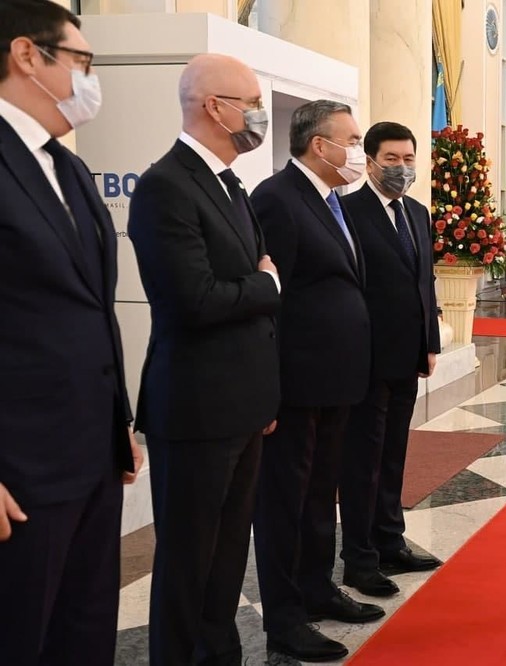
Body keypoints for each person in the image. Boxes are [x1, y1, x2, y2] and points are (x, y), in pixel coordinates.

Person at [128, 53, 282, 665]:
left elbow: (241, 288)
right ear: (215, 107)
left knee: (227, 557)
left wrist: (264, 397)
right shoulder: (166, 185)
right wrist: (266, 287)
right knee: (189, 562)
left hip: (242, 405)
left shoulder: (231, 184)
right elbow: (192, 300)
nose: (260, 114)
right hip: (195, 408)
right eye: (252, 102)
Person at [0, 2, 142, 662]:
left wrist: (117, 424)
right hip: (19, 471)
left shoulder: (70, 169)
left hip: (89, 459)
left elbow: (90, 309)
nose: (91, 78)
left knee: (82, 636)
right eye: (83, 60)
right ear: (27, 55)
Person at [249, 100, 385, 663]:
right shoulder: (278, 198)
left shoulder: (332, 200)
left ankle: (317, 587)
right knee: (285, 501)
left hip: (336, 381)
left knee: (319, 493)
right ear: (319, 145)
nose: (358, 151)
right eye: (351, 141)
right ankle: (285, 617)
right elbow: (270, 301)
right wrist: (268, 387)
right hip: (296, 383)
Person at [339, 121, 443, 598]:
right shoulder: (347, 212)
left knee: (394, 454)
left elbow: (425, 282)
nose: (402, 168)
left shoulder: (418, 213)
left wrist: (430, 343)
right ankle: (358, 558)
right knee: (363, 461)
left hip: (407, 358)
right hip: (365, 360)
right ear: (371, 162)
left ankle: (389, 541)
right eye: (392, 159)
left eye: (408, 159)